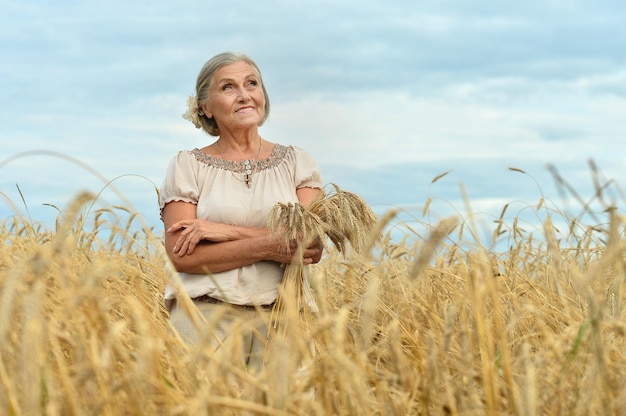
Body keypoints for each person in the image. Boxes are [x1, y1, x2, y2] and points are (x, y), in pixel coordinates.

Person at [159, 52, 323, 370]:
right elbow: (183, 256)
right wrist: (274, 244)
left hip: (285, 316)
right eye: (228, 87)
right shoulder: (186, 165)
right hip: (204, 318)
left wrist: (222, 231)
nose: (244, 95)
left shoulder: (298, 163)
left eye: (252, 83)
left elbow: (310, 244)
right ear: (204, 106)